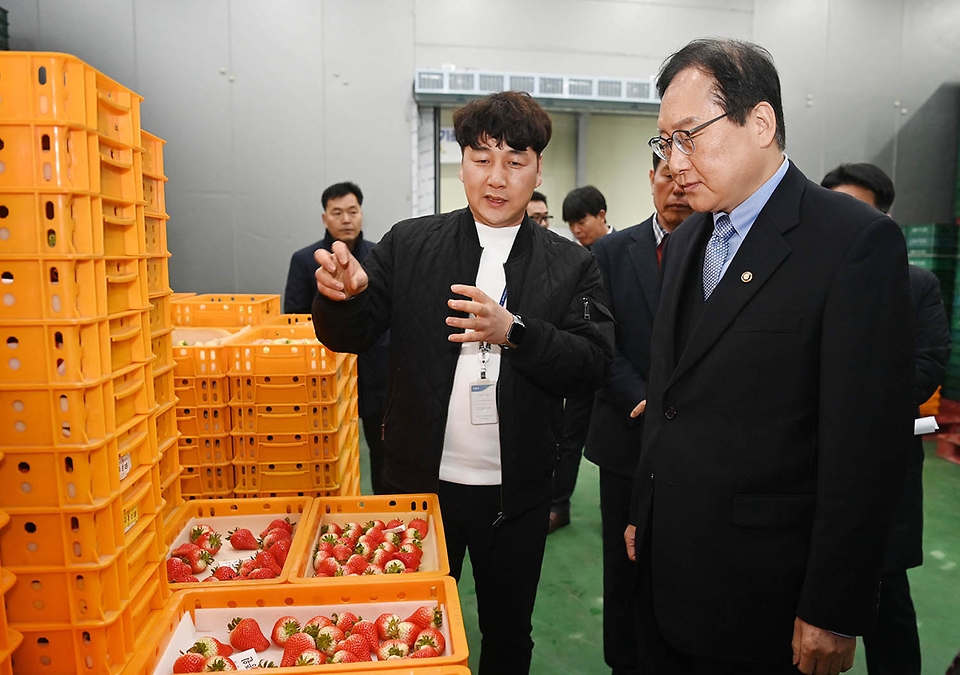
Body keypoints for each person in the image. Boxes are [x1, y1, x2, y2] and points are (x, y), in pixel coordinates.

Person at [625, 38, 914, 675]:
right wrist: (645, 508)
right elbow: (669, 391)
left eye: (688, 136)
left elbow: (864, 448)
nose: (673, 162)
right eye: (663, 143)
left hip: (767, 593)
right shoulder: (687, 239)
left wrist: (834, 604)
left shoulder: (854, 244)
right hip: (667, 571)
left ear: (761, 122)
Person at [311, 90, 614, 674]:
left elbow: (593, 362)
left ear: (538, 169)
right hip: (419, 484)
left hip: (516, 493)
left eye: (515, 161)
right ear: (462, 164)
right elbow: (351, 332)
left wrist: (516, 331)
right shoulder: (410, 243)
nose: (496, 178)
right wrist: (346, 297)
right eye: (481, 158)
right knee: (408, 626)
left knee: (508, 634)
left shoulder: (571, 264)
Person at [822, 162, 951, 675]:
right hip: (806, 465)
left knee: (885, 601)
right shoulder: (801, 280)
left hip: (883, 468)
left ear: (884, 220)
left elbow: (927, 364)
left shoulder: (915, 285)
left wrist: (857, 407)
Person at [586, 152, 692, 674]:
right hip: (627, 437)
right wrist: (641, 398)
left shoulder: (719, 250)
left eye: (683, 177)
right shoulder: (609, 252)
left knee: (685, 561)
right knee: (623, 563)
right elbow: (600, 341)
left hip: (697, 439)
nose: (675, 187)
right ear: (650, 179)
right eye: (665, 176)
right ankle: (624, 662)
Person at [283, 182, 390, 494]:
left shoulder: (379, 256)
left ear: (361, 214)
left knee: (383, 451)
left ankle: (385, 510)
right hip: (325, 374)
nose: (346, 219)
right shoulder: (305, 260)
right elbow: (294, 317)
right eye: (337, 212)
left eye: (353, 211)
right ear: (324, 218)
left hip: (375, 371)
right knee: (327, 452)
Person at [549, 184, 614, 533]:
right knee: (569, 437)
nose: (576, 229)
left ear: (602, 215)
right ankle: (559, 505)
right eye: (571, 223)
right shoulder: (573, 259)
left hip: (618, 368)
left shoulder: (623, 251)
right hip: (581, 364)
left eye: (582, 220)